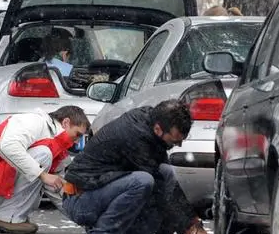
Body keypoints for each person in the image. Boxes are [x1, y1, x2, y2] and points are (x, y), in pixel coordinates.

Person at [62, 99, 206, 234]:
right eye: (174, 141)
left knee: (165, 172)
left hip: (101, 189)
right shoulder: (135, 136)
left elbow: (165, 186)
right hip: (80, 199)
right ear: (158, 129)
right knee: (143, 181)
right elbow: (159, 189)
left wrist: (190, 221)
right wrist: (188, 224)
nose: (178, 145)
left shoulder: (153, 122)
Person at [0, 106, 90, 234]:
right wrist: (42, 174)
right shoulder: (34, 122)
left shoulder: (56, 145)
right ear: (66, 123)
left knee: (47, 170)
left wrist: (85, 220)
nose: (77, 142)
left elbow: (56, 188)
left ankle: (9, 217)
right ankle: (7, 218)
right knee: (43, 154)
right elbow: (7, 147)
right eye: (77, 135)